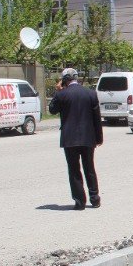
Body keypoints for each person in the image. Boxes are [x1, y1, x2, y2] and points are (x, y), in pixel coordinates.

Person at [48, 67, 104, 210]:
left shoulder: (62, 95)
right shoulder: (90, 94)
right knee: (89, 168)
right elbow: (97, 118)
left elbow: (52, 109)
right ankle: (95, 198)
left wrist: (58, 92)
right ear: (76, 78)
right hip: (88, 137)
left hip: (70, 139)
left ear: (65, 80)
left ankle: (79, 201)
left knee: (74, 170)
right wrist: (99, 138)